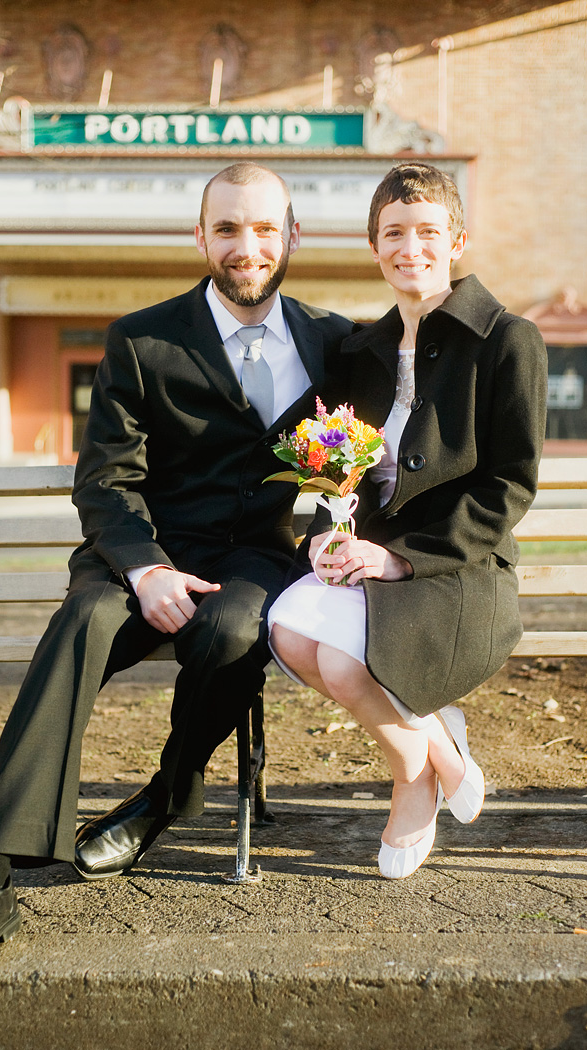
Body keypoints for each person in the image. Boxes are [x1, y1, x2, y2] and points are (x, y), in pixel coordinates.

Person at [0, 162, 352, 973]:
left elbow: (367, 451)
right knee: (81, 622)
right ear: (200, 237)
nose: (246, 246)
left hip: (252, 559)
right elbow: (106, 479)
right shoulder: (142, 337)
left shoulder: (335, 342)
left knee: (233, 628)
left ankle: (169, 795)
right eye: (227, 229)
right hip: (140, 549)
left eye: (265, 228)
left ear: (295, 235)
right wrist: (146, 569)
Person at [269, 162, 547, 880]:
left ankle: (410, 775)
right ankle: (435, 744)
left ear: (457, 241)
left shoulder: (506, 340)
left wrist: (401, 560)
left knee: (338, 657)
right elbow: (333, 466)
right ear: (375, 246)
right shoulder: (358, 353)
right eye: (394, 232)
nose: (410, 247)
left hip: (459, 571)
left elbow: (510, 485)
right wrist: (328, 536)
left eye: (428, 231)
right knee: (290, 630)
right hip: (371, 564)